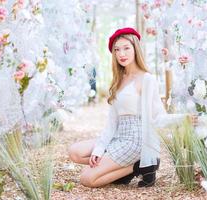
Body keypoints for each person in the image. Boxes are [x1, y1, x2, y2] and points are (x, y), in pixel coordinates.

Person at [68, 27, 193, 188]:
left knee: (87, 179)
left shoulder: (146, 79)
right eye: (117, 50)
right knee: (75, 152)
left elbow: (157, 117)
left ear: (135, 49)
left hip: (135, 141)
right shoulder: (118, 81)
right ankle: (132, 166)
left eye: (126, 48)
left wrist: (184, 118)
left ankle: (138, 165)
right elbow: (112, 123)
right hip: (118, 137)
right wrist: (99, 149)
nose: (121, 54)